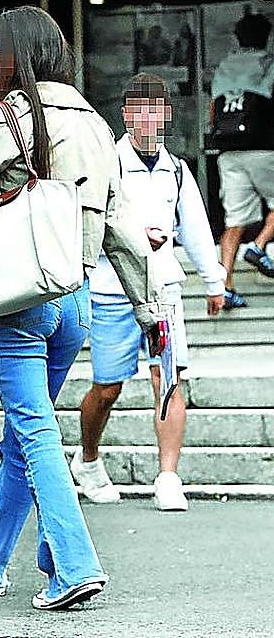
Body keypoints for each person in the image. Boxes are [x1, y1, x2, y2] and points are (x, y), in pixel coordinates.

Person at [0, 7, 164, 611]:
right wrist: (150, 313)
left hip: (16, 299)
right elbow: (123, 229)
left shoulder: (0, 118)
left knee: (33, 430)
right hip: (78, 300)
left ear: (15, 57)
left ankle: (74, 563)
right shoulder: (93, 124)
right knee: (21, 433)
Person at [73, 74, 226, 512]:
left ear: (165, 115)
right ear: (125, 115)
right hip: (112, 291)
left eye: (154, 110)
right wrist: (133, 237)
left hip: (163, 291)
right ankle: (87, 459)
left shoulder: (175, 169)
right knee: (107, 388)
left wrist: (214, 281)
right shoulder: (107, 164)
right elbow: (86, 223)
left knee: (168, 378)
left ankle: (168, 476)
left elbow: (196, 228)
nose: (146, 118)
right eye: (138, 110)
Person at [208, 6, 274, 309]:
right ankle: (259, 247)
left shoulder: (224, 66)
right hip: (264, 147)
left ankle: (226, 286)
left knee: (234, 221)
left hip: (229, 151)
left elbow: (213, 110)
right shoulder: (269, 64)